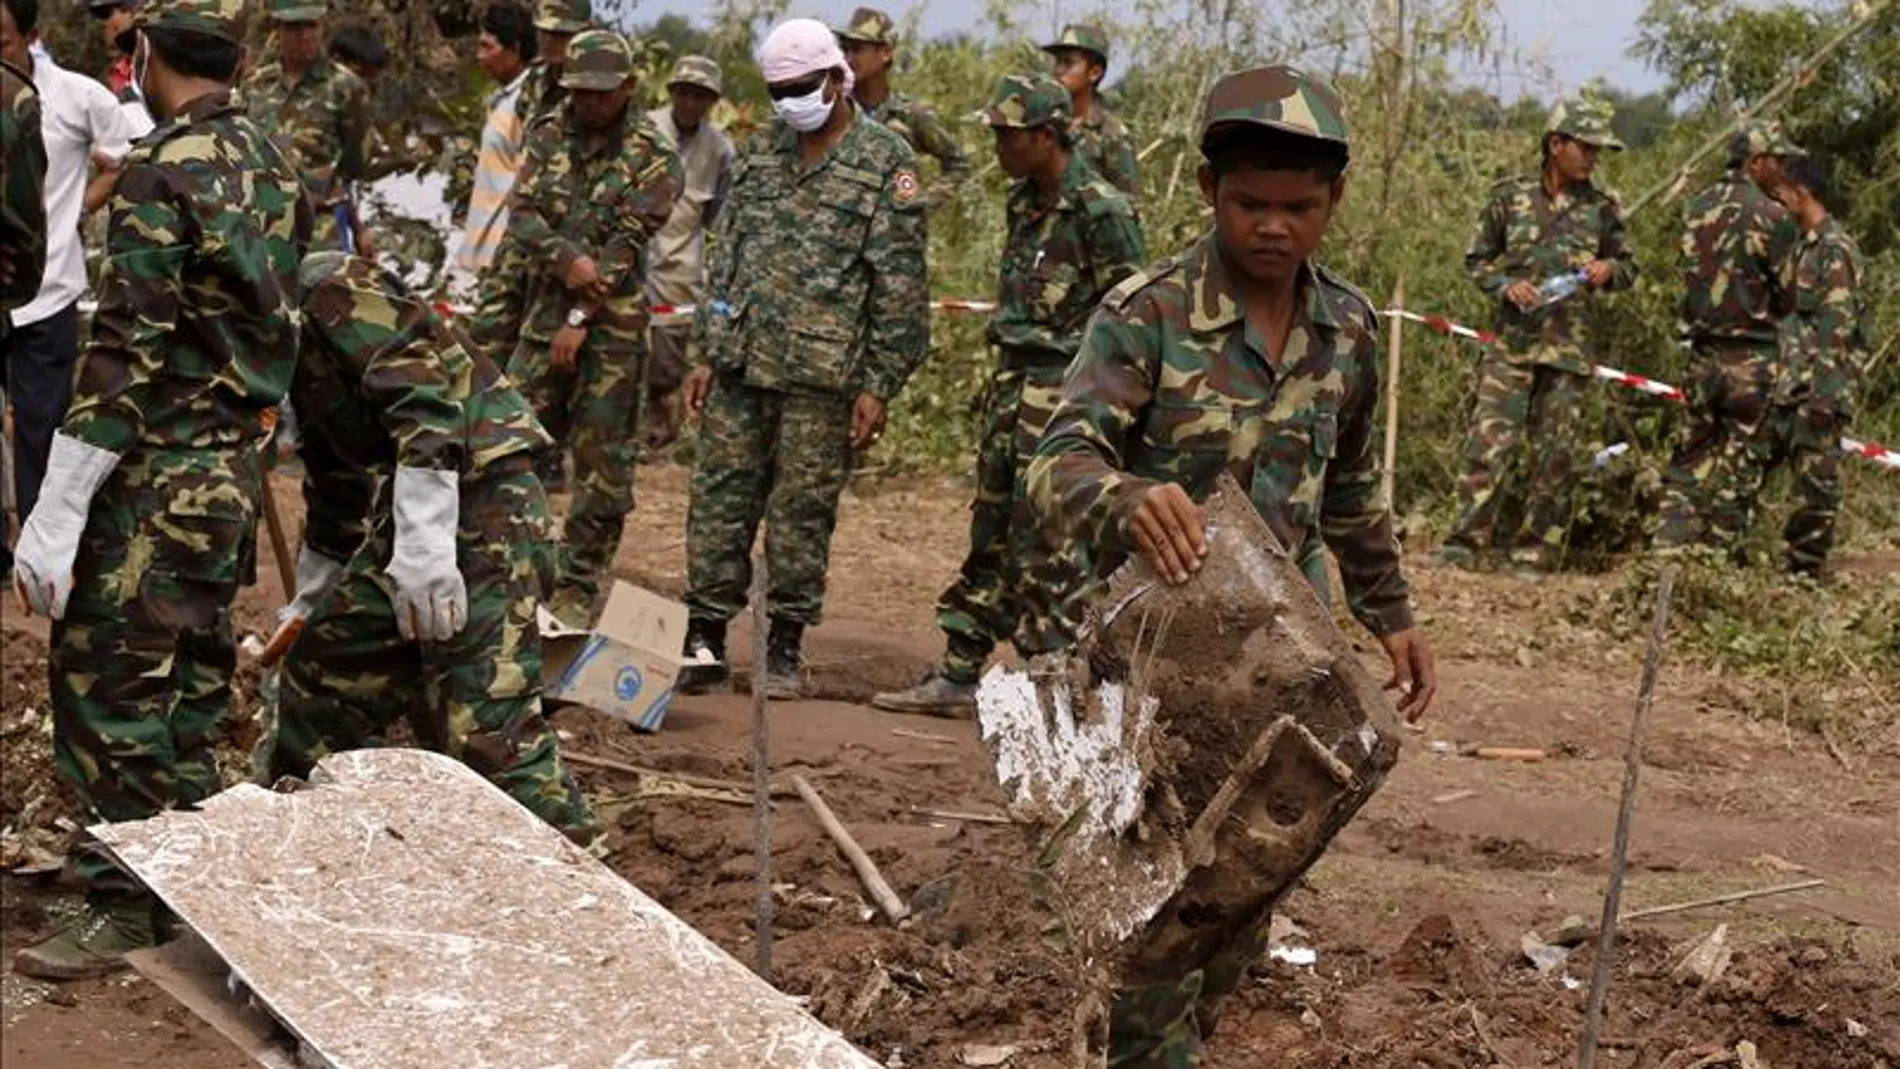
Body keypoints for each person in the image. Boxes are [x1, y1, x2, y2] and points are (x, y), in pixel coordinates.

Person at [1026, 66, 1437, 1063]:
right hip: (1149, 681)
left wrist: (1391, 610)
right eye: (1251, 204)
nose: (1274, 227)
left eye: (1300, 208)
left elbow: (1349, 491)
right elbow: (1055, 462)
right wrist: (1125, 497)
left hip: (1279, 681)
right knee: (1143, 942)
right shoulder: (1148, 313)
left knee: (1233, 923)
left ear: (1334, 201)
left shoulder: (1347, 329)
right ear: (1210, 190)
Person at [11, 0, 309, 981]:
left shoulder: (160, 170)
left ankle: (125, 906)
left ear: (143, 56)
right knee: (188, 680)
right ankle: (179, 877)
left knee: (109, 682)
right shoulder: (275, 166)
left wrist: (58, 505)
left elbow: (126, 349)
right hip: (230, 471)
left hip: (153, 475)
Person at [258, 251, 600, 845]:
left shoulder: (329, 287)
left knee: (486, 731)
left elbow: (425, 406)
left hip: (486, 494)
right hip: (406, 511)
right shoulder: (261, 339)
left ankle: (585, 875)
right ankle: (311, 849)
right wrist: (313, 595)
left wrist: (425, 545)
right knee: (323, 679)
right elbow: (338, 480)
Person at [873, 72, 1143, 716]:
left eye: (1007, 135)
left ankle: (1058, 681)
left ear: (1046, 136)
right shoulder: (1022, 200)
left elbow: (1128, 316)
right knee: (992, 527)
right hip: (1011, 387)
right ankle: (959, 671)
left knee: (1051, 538)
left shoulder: (1103, 210)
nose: (997, 147)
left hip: (1064, 394)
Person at [678, 17, 927, 698]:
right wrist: (704, 349)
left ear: (837, 79)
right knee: (719, 497)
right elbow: (726, 254)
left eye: (801, 87)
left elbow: (900, 287)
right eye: (778, 91)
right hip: (741, 361)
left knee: (801, 511)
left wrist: (879, 384)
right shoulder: (762, 153)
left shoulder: (886, 162)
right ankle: (703, 635)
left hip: (824, 375)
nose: (790, 102)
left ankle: (783, 645)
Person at [501, 28, 681, 626]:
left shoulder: (655, 156)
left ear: (629, 87)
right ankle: (512, 572)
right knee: (507, 445)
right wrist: (565, 261)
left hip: (612, 335)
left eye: (602, 93)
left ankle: (576, 589)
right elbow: (522, 216)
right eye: (580, 91)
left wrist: (579, 314)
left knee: (603, 468)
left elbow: (625, 246)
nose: (590, 103)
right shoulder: (548, 133)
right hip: (540, 321)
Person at [1438, 95, 1636, 573]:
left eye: (1597, 151)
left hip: (1569, 351)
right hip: (1512, 347)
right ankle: (1465, 545)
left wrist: (1609, 269)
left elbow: (1629, 267)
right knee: (1488, 445)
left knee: (1556, 456)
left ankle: (1534, 552)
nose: (1593, 158)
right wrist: (1506, 286)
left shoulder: (1602, 209)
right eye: (1585, 148)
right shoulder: (1509, 197)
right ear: (1555, 145)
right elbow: (1476, 261)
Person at [3, 0, 149, 533]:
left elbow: (124, 158)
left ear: (30, 36)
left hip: (49, 289)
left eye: (2, 44)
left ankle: (39, 548)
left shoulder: (75, 96)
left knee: (41, 430)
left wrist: (74, 211)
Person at [1651, 122, 1805, 557]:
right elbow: (1789, 295)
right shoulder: (1774, 217)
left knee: (1690, 457)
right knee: (1742, 464)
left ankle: (1666, 550)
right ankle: (1716, 559)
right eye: (1778, 161)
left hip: (1702, 355)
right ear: (1756, 162)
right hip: (1752, 360)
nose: (1783, 170)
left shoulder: (1696, 207)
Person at [1751, 157, 1869, 576]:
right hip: (1788, 386)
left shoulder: (1834, 250)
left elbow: (1837, 326)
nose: (1778, 201)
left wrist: (1824, 394)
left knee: (1816, 490)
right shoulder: (1801, 248)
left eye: (1782, 193)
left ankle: (1804, 572)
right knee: (1749, 469)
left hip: (1818, 391)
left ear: (1800, 193)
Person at [642, 54, 734, 450]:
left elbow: (720, 217)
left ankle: (661, 436)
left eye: (700, 96)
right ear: (672, 93)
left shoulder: (719, 149)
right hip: (629, 259)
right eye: (684, 93)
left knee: (667, 360)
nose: (691, 103)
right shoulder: (644, 130)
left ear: (712, 101)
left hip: (679, 265)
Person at [242, 0, 373, 255]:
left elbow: (354, 163)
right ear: (278, 29)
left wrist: (357, 226)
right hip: (263, 223)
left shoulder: (345, 87)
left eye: (311, 26)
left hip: (320, 224)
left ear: (322, 27)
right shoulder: (256, 85)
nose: (304, 36)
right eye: (294, 27)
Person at [835, 6, 969, 197]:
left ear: (885, 53)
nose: (848, 58)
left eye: (857, 49)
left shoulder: (912, 114)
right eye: (845, 49)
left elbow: (958, 164)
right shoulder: (837, 111)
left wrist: (924, 203)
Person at [451, 0, 536, 281]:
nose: (480, 56)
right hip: (485, 249)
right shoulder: (502, 101)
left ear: (515, 49)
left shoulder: (528, 102)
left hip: (505, 253)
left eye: (488, 47)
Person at [1041, 23, 1138, 202]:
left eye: (1068, 63)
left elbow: (1127, 206)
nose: (1058, 70)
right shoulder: (1044, 123)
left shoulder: (1113, 134)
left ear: (1094, 73)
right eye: (1058, 62)